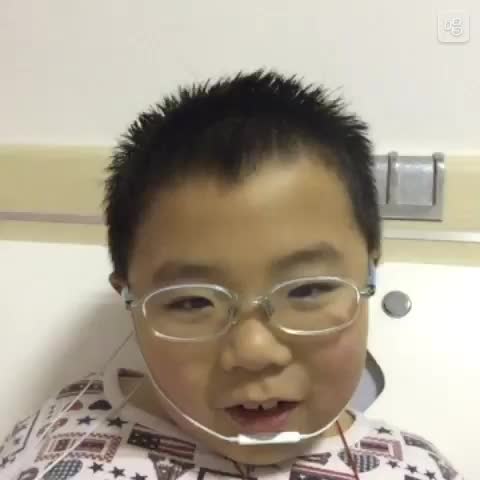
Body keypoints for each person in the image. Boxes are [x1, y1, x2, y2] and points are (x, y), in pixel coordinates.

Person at [0, 70, 463, 480]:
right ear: (129, 298)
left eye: (308, 289)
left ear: (370, 273)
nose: (254, 352)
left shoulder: (414, 467)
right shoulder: (59, 443)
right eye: (192, 301)